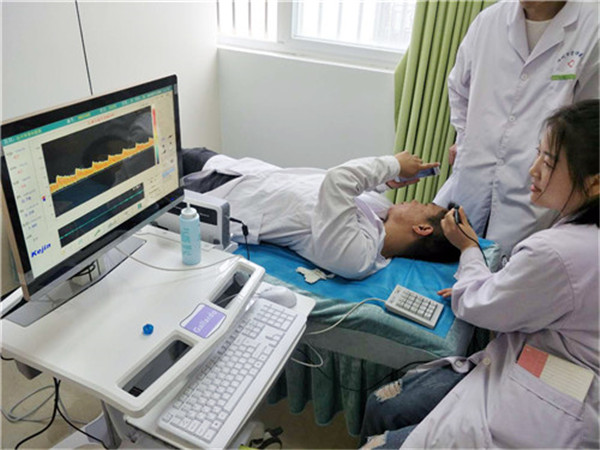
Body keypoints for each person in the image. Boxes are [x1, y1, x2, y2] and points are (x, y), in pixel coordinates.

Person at [360, 99, 599, 448]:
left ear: (594, 184)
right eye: (538, 154)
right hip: (550, 367)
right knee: (383, 406)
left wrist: (470, 250)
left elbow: (481, 306)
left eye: (548, 162)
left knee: (392, 423)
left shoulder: (557, 253)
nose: (533, 170)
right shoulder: (577, 240)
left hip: (548, 401)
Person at [434, 0, 599, 257]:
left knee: (516, 267)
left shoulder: (593, 27)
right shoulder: (489, 21)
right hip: (473, 175)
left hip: (538, 193)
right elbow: (458, 88)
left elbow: (590, 128)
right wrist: (465, 137)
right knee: (453, 258)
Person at [181, 149, 460, 280]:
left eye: (424, 206)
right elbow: (347, 195)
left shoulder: (356, 256)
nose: (415, 200)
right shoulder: (382, 213)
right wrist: (385, 181)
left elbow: (338, 181)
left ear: (422, 229)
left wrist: (392, 164)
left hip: (221, 194)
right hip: (239, 170)